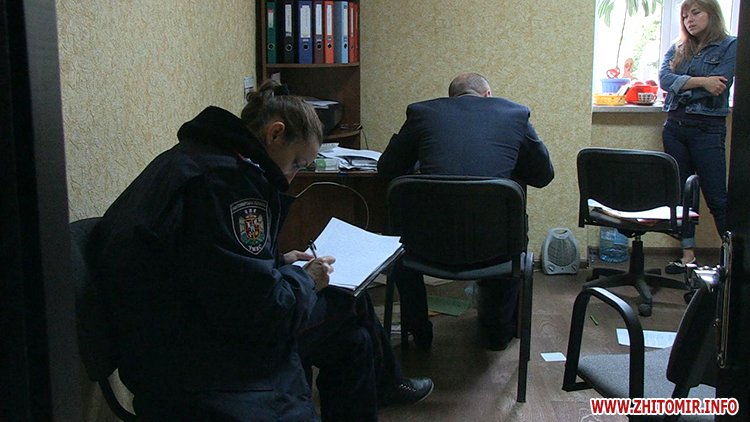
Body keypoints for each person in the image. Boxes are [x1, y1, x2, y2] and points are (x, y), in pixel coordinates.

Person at [92, 79, 432, 421]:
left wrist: (279, 262)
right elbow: (266, 313)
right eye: (297, 163)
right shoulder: (227, 184)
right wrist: (307, 279)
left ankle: (386, 383)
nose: (293, 177)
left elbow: (209, 262)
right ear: (275, 134)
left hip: (172, 336)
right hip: (194, 359)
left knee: (354, 339)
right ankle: (387, 384)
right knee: (348, 301)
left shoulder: (193, 159)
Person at [378, 72, 554, 350]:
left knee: (399, 243)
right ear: (488, 95)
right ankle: (497, 334)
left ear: (451, 98)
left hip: (424, 248)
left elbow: (387, 169)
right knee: (511, 228)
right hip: (495, 249)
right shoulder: (516, 114)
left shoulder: (422, 113)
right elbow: (543, 176)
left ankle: (419, 332)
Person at [659, 0, 736, 274]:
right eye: (684, 15)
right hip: (675, 128)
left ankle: (731, 262)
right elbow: (664, 79)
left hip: (707, 130)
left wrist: (682, 87)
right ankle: (688, 256)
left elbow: (720, 84)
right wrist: (703, 81)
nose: (688, 19)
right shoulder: (678, 46)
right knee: (682, 196)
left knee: (717, 197)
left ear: (711, 13)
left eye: (695, 13)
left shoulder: (730, 45)